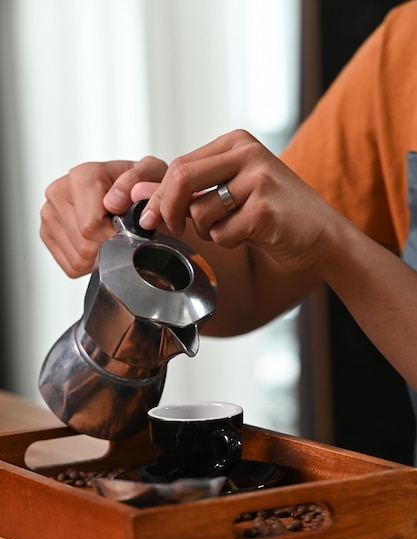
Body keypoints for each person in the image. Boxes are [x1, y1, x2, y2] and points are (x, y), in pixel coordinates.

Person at [40, 1, 417, 460]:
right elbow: (259, 273)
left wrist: (332, 246)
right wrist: (151, 224)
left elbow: (318, 239)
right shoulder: (404, 48)